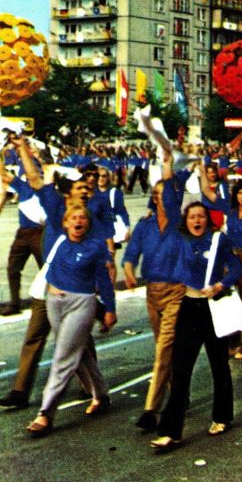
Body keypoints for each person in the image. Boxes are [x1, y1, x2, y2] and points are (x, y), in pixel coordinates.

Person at [149, 200, 242, 451]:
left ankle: (223, 416)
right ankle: (171, 432)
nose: (197, 221)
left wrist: (221, 285)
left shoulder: (218, 240)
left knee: (219, 364)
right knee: (181, 370)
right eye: (192, 217)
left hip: (213, 307)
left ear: (207, 219)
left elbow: (236, 268)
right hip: (190, 307)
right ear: (186, 221)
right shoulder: (181, 242)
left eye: (201, 216)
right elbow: (175, 269)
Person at [24, 204, 116, 437]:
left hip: (81, 303)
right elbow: (46, 196)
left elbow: (103, 279)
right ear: (64, 223)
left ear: (88, 224)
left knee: (63, 356)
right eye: (73, 218)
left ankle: (46, 413)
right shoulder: (59, 241)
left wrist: (109, 309)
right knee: (79, 350)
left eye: (83, 218)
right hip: (53, 302)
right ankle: (101, 394)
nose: (78, 222)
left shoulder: (95, 247)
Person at [121, 155, 182, 430]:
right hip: (152, 291)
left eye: (165, 193)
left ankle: (150, 409)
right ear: (153, 199)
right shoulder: (145, 226)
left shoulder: (179, 223)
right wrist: (129, 269)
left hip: (177, 290)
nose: (162, 198)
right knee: (163, 347)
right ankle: (178, 394)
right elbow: (131, 254)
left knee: (164, 347)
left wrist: (167, 168)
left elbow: (171, 189)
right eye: (157, 195)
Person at [200, 166, 242, 358]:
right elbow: (207, 191)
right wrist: (200, 166)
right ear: (235, 195)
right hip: (229, 258)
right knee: (229, 301)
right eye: (241, 193)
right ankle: (232, 342)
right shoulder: (230, 210)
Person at [0, 166, 46, 317]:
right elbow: (4, 174)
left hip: (40, 233)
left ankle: (53, 300)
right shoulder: (23, 186)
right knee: (13, 267)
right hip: (23, 233)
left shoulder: (47, 192)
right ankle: (14, 303)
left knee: (47, 269)